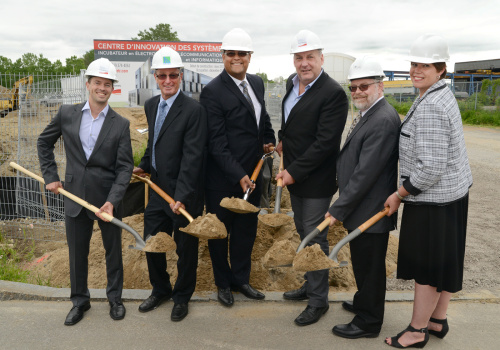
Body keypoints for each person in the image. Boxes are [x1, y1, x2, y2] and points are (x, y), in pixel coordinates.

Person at [384, 34, 472, 348]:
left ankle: (417, 331)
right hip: (452, 196)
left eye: (425, 65)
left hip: (434, 200)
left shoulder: (432, 105)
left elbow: (431, 168)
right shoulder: (439, 94)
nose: (417, 69)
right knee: (445, 262)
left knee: (428, 268)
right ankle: (437, 320)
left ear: (440, 68)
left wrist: (400, 194)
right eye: (414, 63)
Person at [37, 58, 133, 325]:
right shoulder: (67, 113)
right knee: (77, 254)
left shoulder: (120, 124)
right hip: (75, 197)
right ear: (88, 84)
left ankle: (115, 299)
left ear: (112, 88)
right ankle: (80, 301)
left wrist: (113, 200)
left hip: (107, 200)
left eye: (107, 84)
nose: (102, 88)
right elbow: (44, 142)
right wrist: (51, 177)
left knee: (113, 252)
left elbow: (125, 167)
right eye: (97, 83)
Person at [324, 57, 400, 339]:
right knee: (362, 262)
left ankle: (368, 322)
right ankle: (363, 302)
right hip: (362, 208)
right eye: (352, 88)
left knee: (370, 267)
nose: (357, 92)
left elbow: (365, 174)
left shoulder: (382, 119)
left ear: (380, 86)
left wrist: (338, 208)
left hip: (371, 209)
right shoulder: (370, 113)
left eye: (363, 86)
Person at [276, 30, 348, 326]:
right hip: (295, 177)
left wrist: (292, 172)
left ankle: (319, 301)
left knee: (315, 236)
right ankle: (310, 285)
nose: (304, 63)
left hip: (315, 179)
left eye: (309, 57)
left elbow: (325, 143)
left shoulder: (332, 93)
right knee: (301, 229)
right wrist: (282, 140)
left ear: (321, 58)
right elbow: (290, 123)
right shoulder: (291, 86)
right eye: (299, 57)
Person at [200, 28, 275, 307]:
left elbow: (262, 118)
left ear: (250, 56)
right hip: (223, 178)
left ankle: (241, 279)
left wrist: (269, 139)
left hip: (252, 175)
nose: (236, 58)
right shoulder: (213, 92)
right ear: (223, 56)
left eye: (241, 53)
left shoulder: (256, 83)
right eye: (230, 53)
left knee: (246, 230)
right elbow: (216, 143)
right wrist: (238, 175)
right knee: (220, 233)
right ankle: (223, 284)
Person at [133, 47, 207, 322]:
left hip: (183, 194)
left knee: (185, 249)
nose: (167, 80)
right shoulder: (152, 105)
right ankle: (160, 289)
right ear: (155, 76)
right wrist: (143, 164)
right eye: (162, 75)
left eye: (172, 75)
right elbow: (155, 142)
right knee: (152, 241)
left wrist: (182, 197)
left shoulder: (193, 111)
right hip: (158, 190)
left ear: (181, 75)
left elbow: (193, 157)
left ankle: (182, 296)